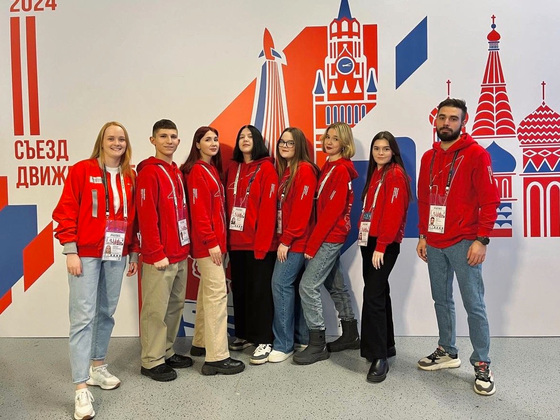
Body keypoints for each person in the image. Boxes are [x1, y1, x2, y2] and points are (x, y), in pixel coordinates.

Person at [53, 121, 139, 420]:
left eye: (122, 139)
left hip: (116, 252)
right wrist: (71, 250)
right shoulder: (82, 170)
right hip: (85, 254)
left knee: (106, 312)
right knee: (82, 318)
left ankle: (97, 366)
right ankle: (80, 388)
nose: (117, 143)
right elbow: (65, 211)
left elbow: (133, 218)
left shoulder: (130, 175)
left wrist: (133, 251)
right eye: (111, 138)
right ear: (101, 141)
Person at [416, 98, 499, 396]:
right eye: (442, 117)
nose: (446, 123)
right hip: (435, 241)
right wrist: (423, 235)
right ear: (435, 120)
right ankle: (447, 350)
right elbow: (424, 199)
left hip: (465, 241)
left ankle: (482, 363)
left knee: (474, 305)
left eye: (453, 118)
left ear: (463, 122)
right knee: (441, 300)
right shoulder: (428, 157)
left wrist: (481, 239)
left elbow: (490, 200)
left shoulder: (476, 154)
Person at [294, 122, 359, 365]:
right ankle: (350, 334)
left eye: (335, 138)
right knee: (336, 285)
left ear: (345, 143)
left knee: (307, 286)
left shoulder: (340, 170)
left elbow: (331, 213)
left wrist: (312, 245)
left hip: (330, 237)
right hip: (327, 235)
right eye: (327, 137)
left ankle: (317, 343)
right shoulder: (329, 166)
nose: (329, 141)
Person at [182, 126, 245, 375]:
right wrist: (211, 242)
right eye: (207, 139)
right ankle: (216, 358)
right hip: (208, 246)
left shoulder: (211, 170)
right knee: (217, 296)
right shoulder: (198, 171)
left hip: (215, 243)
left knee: (206, 293)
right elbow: (199, 213)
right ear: (197, 144)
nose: (213, 143)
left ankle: (200, 342)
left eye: (216, 139)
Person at [136, 119, 192, 382]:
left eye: (173, 136)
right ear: (153, 140)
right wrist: (156, 252)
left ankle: (166, 351)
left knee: (173, 307)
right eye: (163, 136)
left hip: (179, 253)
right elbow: (147, 216)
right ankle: (151, 360)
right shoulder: (149, 173)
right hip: (159, 256)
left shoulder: (176, 172)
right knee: (155, 311)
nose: (169, 141)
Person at [358, 131, 411, 383]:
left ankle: (380, 358)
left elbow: (393, 213)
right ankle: (386, 346)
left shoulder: (396, 175)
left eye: (386, 149)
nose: (380, 153)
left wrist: (381, 245)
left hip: (383, 245)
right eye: (376, 148)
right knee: (379, 293)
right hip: (369, 242)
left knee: (373, 297)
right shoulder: (376, 173)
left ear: (393, 152)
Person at [224, 125, 278, 365]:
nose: (245, 139)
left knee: (260, 293)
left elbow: (268, 211)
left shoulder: (266, 168)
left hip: (259, 243)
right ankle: (245, 334)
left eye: (249, 136)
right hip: (236, 242)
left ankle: (264, 339)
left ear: (257, 141)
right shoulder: (232, 168)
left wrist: (262, 245)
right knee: (241, 291)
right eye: (241, 136)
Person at [269, 127, 318, 363]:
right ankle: (301, 338)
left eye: (290, 143)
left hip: (297, 241)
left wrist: (287, 240)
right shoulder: (286, 171)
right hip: (288, 239)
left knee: (280, 284)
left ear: (299, 146)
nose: (285, 146)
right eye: (282, 142)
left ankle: (283, 344)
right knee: (291, 288)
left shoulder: (305, 170)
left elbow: (302, 211)